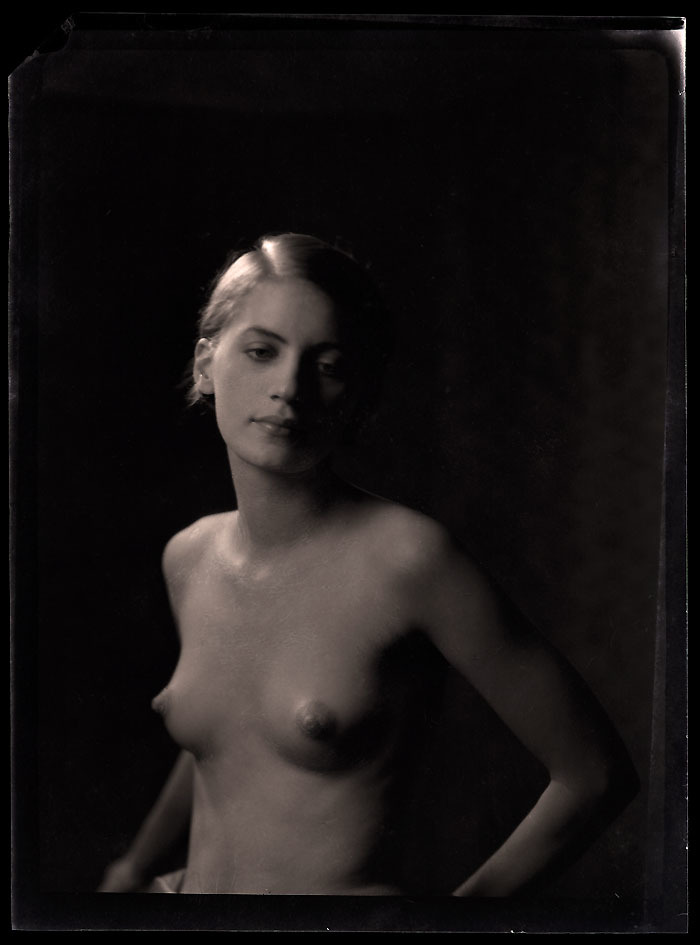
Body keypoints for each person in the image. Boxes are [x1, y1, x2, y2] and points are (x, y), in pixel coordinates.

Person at [98, 232, 638, 896]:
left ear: (357, 395)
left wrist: (450, 924)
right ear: (207, 363)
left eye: (327, 365)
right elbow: (231, 740)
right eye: (262, 351)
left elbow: (594, 774)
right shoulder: (188, 555)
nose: (289, 388)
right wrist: (135, 868)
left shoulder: (409, 561)